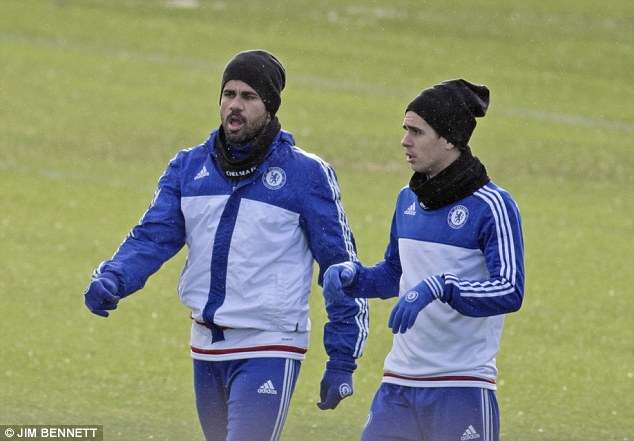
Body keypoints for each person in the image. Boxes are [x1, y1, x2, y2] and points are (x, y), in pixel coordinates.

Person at [83, 49, 368, 441]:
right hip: (206, 345)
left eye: (249, 97)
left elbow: (342, 269)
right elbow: (152, 236)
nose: (235, 105)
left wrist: (342, 358)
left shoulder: (306, 174)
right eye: (229, 93)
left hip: (271, 343)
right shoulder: (188, 167)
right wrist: (114, 278)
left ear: (269, 106)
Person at [324, 79, 525, 441]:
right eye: (405, 130)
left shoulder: (493, 206)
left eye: (417, 131)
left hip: (462, 386)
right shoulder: (407, 199)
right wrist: (354, 278)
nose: (405, 141)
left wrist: (441, 287)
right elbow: (394, 275)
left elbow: (510, 289)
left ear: (449, 139)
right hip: (398, 385)